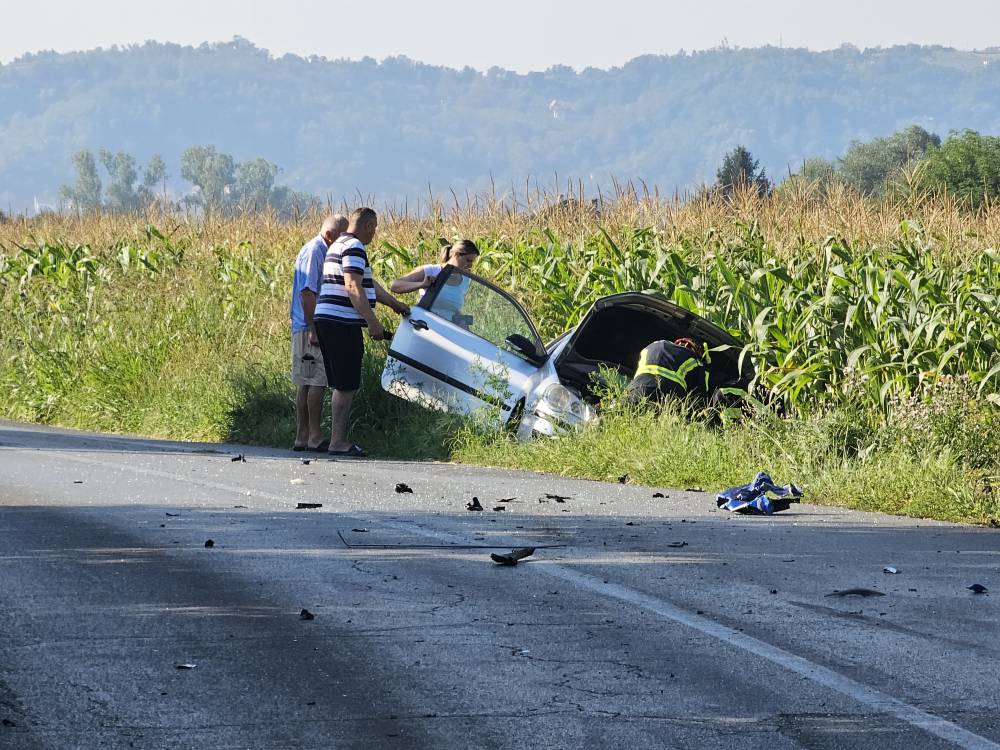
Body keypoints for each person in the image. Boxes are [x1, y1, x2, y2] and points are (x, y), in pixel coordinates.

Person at [313, 207, 410, 457]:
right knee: (346, 385)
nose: (374, 234)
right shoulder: (355, 246)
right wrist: (372, 321)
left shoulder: (339, 244)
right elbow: (353, 286)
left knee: (340, 384)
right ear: (367, 226)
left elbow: (368, 284)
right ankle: (338, 441)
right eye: (374, 229)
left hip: (327, 319)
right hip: (341, 321)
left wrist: (396, 305)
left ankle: (335, 439)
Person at [289, 213, 348, 451]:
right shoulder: (316, 251)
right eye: (342, 237)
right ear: (329, 235)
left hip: (305, 325)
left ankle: (302, 436)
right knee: (316, 380)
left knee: (306, 380)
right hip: (308, 326)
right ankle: (313, 436)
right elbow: (307, 292)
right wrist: (314, 327)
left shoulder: (318, 250)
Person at [389, 240, 479, 323]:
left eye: (472, 262)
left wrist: (463, 322)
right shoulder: (431, 270)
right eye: (468, 260)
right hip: (426, 325)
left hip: (449, 329)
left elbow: (452, 308)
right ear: (456, 254)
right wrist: (422, 284)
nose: (470, 265)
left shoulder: (466, 280)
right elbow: (395, 286)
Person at [626, 337, 711, 407]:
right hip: (669, 398)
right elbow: (700, 400)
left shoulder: (654, 345)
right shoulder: (695, 360)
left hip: (637, 389)